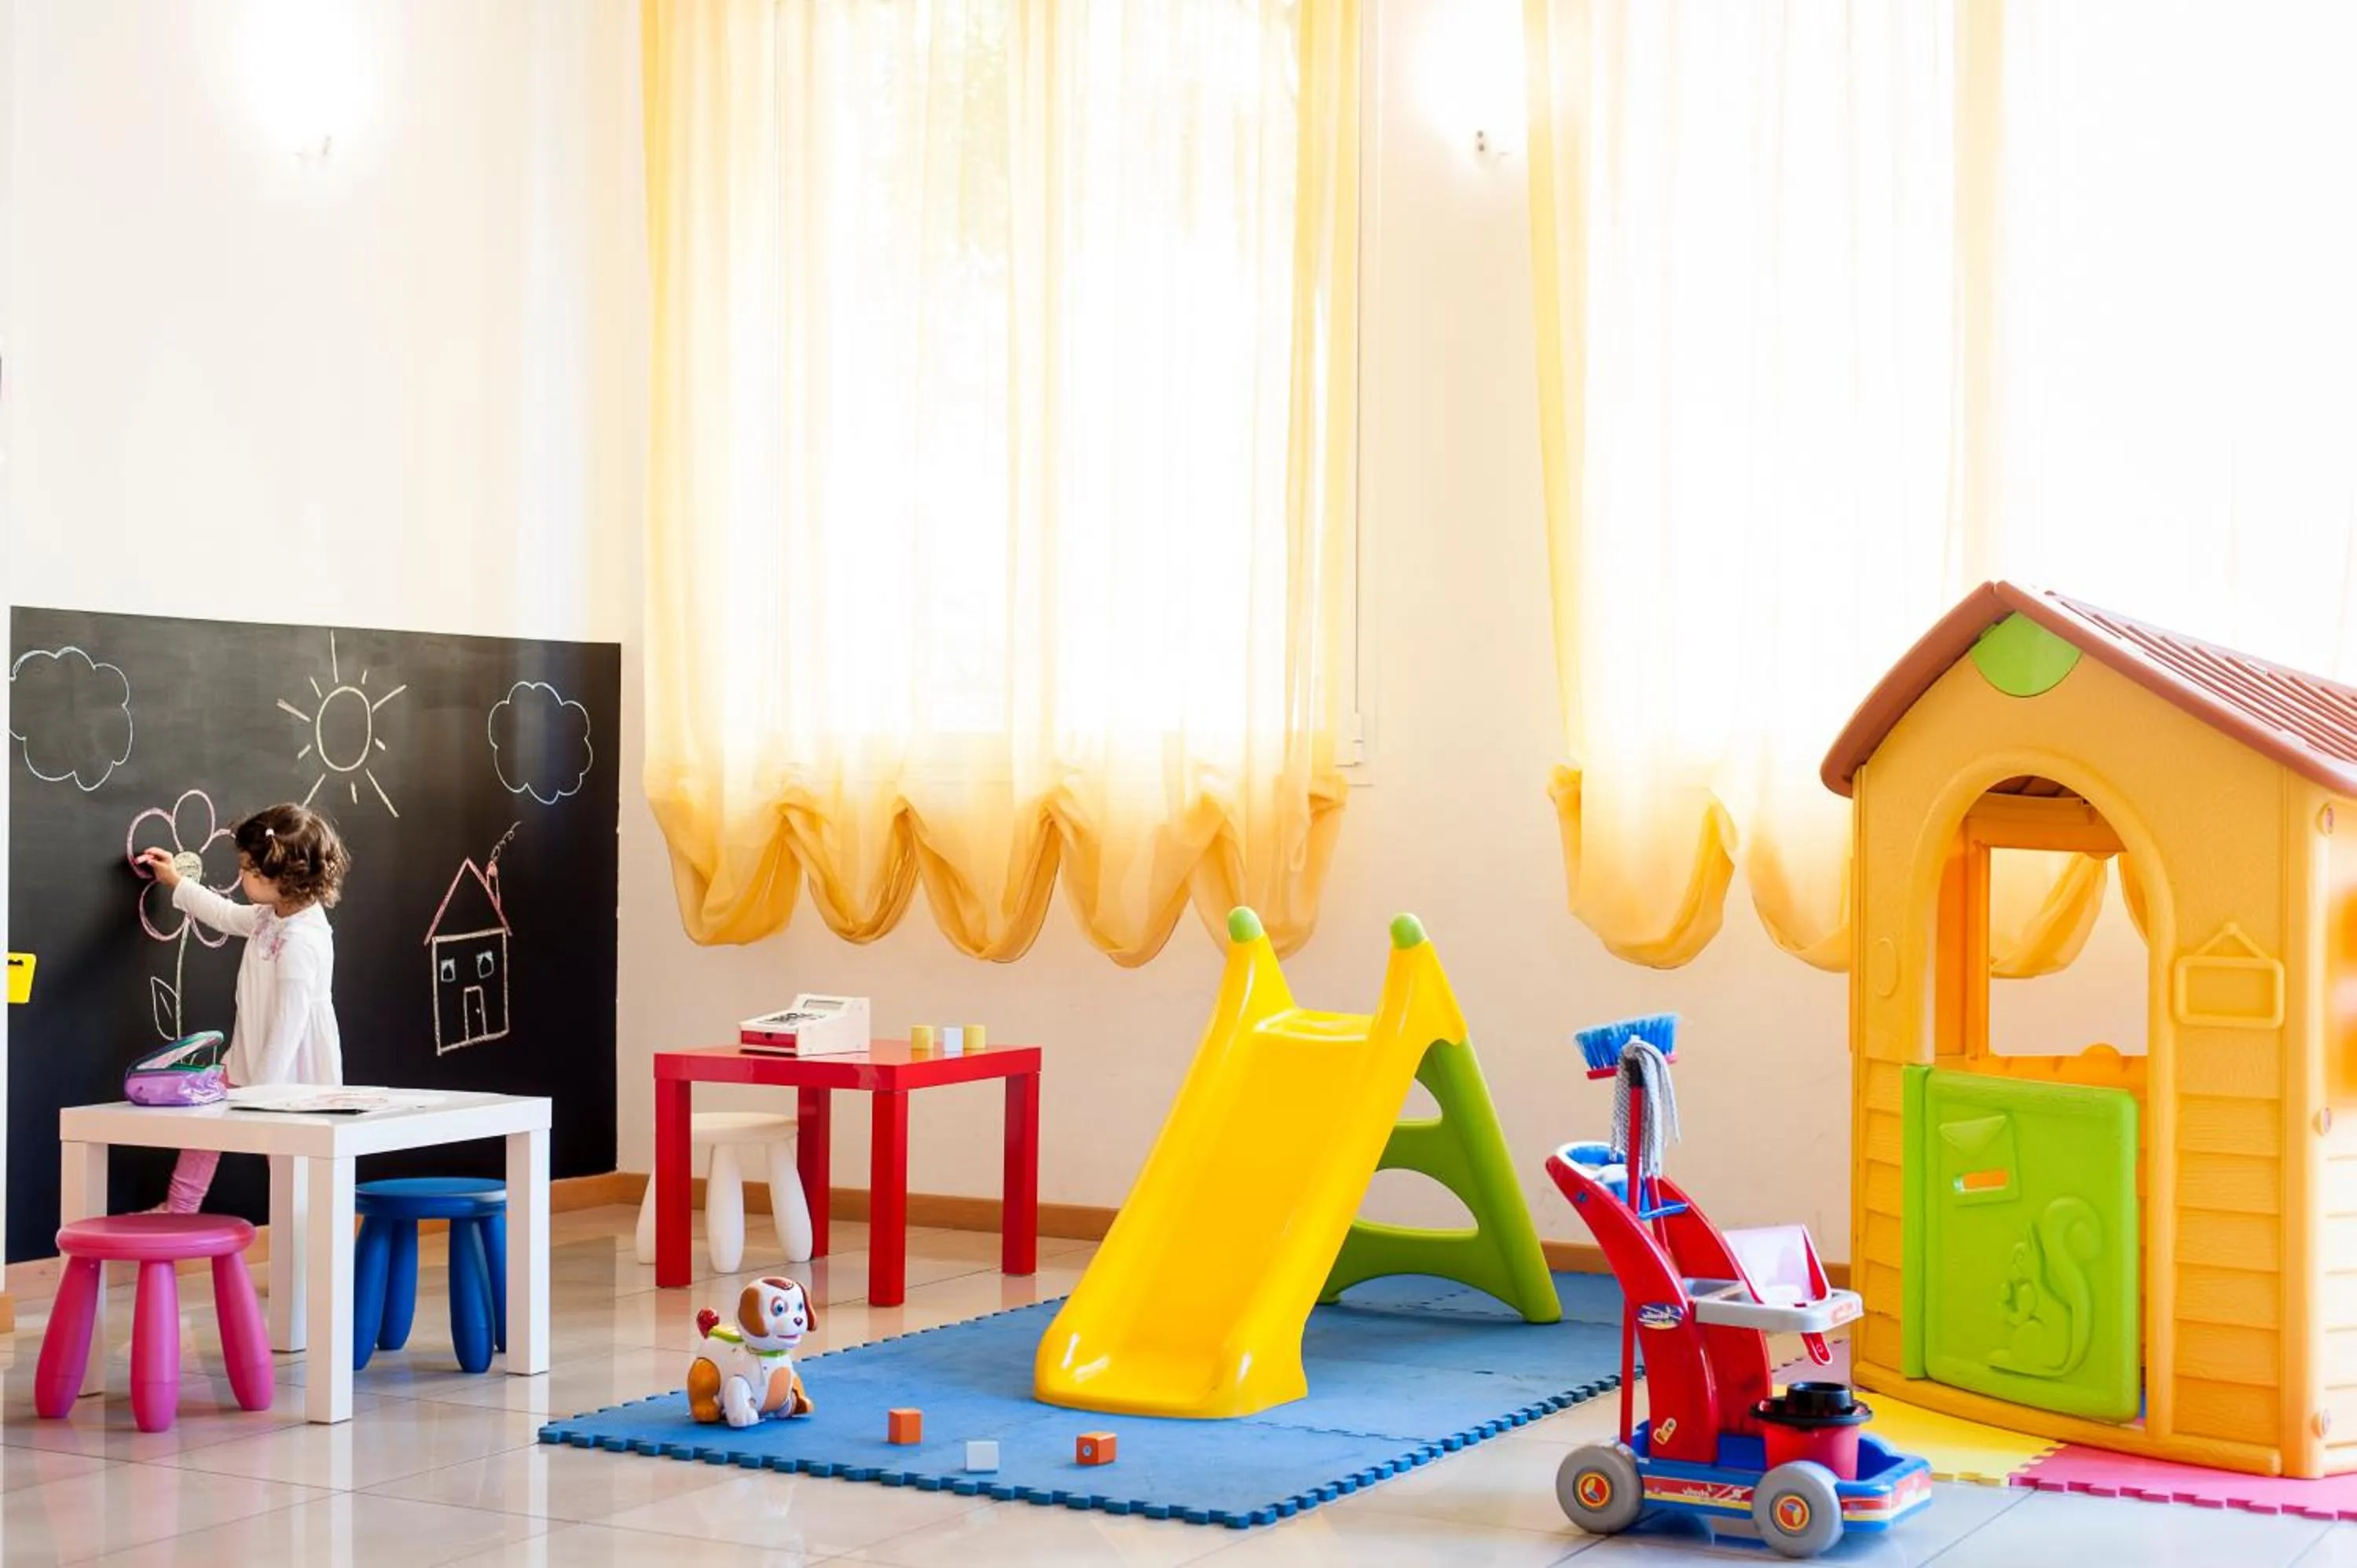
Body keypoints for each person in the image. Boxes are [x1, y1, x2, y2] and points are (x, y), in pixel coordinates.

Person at [137, 802, 347, 1212]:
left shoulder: (301, 941)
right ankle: (179, 1209)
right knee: (206, 1127)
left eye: (249, 869)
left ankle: (307, 1233)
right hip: (249, 1060)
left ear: (282, 876)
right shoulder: (273, 916)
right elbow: (226, 915)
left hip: (290, 1077)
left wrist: (260, 1095)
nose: (241, 875)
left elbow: (289, 1027)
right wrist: (176, 881)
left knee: (289, 1162)